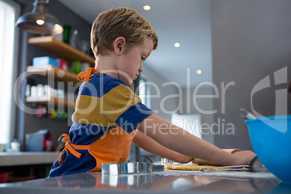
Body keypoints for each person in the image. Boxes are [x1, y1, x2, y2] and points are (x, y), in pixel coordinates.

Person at [49, 7, 255, 177]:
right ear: (119, 46)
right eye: (142, 57)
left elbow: (137, 134)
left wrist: (182, 157)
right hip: (72, 180)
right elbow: (161, 130)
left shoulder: (100, 85)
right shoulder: (106, 87)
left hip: (84, 178)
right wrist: (225, 158)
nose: (141, 67)